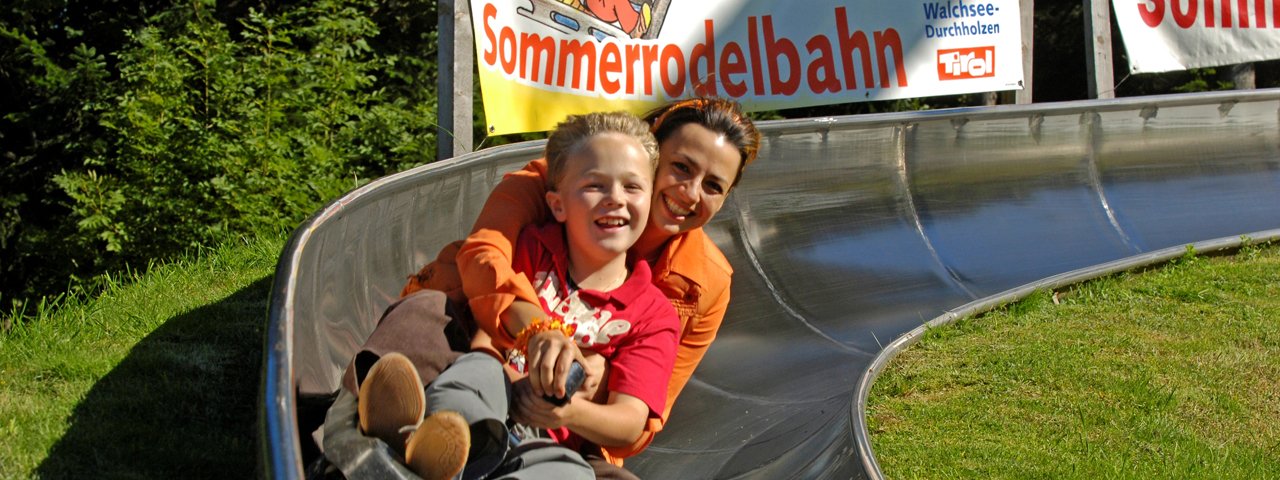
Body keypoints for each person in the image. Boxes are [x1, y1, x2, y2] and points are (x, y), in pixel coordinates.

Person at [398, 97, 761, 474]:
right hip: (476, 350)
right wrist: (538, 330)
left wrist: (595, 385)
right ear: (648, 155)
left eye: (714, 186)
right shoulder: (556, 186)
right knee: (423, 320)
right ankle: (392, 423)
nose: (690, 192)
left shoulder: (700, 286)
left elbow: (641, 418)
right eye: (681, 167)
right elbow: (484, 257)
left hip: (567, 431)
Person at [334, 111, 680, 480]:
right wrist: (511, 379)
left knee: (571, 474)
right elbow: (488, 331)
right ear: (557, 205)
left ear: (650, 199)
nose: (614, 199)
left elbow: (629, 423)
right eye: (595, 185)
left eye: (632, 187)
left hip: (550, 438)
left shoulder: (654, 314)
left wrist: (567, 413)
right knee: (470, 381)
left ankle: (430, 456)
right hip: (490, 389)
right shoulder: (531, 249)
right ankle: (427, 446)